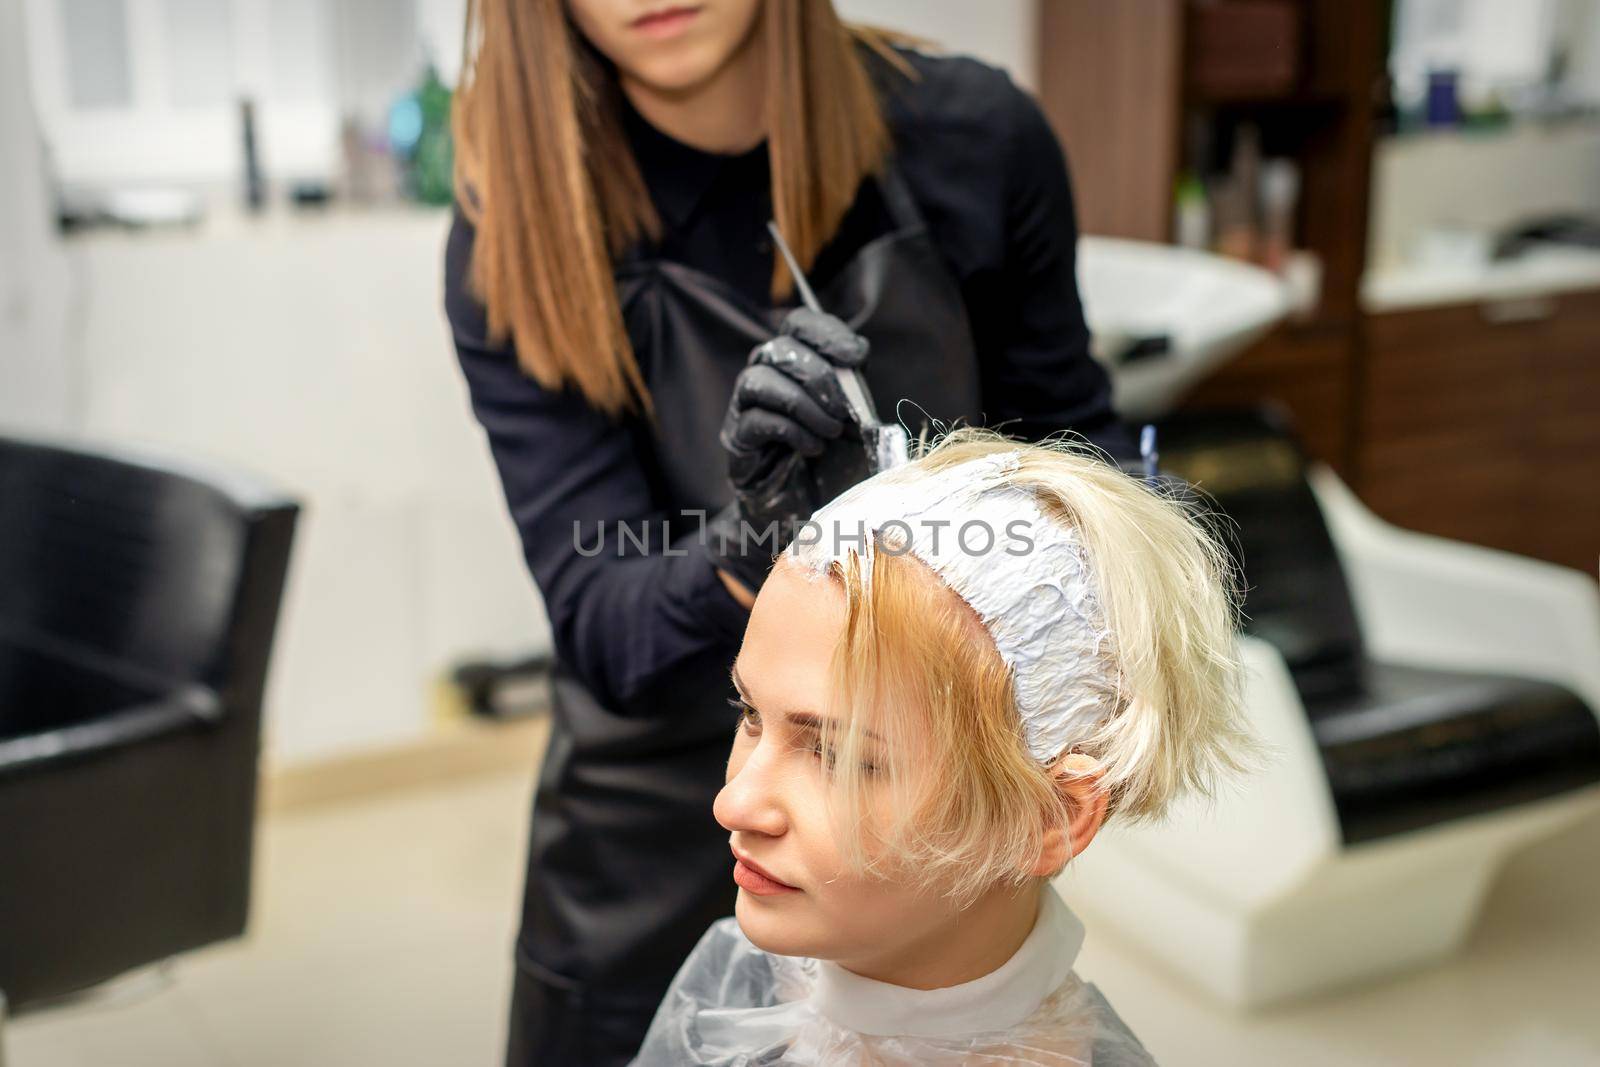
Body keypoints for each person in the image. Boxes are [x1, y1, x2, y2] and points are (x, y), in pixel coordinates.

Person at [444, 1, 1139, 1062]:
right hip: (636, 828)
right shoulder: (522, 222)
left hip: (907, 818)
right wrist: (755, 535)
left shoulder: (974, 140)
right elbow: (603, 623)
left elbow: (1083, 475)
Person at [632, 430, 1264, 1065]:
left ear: (1048, 816)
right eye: (750, 713)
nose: (733, 803)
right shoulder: (737, 985)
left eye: (838, 756)